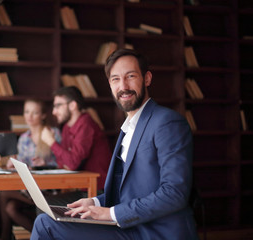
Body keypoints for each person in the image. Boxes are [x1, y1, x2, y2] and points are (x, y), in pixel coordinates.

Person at [31, 49, 199, 240]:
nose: (123, 86)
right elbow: (129, 193)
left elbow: (174, 193)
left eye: (131, 76)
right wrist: (94, 202)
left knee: (45, 225)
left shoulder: (167, 122)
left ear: (147, 78)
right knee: (47, 221)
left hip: (155, 232)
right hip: (130, 226)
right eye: (115, 79)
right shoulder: (127, 128)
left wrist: (110, 214)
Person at [0, 99, 61, 240]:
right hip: (28, 187)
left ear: (43, 115)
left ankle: (4, 236)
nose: (29, 116)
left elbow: (64, 162)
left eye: (35, 112)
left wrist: (46, 162)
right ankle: (45, 235)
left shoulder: (53, 133)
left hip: (48, 188)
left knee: (3, 195)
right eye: (27, 112)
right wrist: (13, 164)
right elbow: (22, 165)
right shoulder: (23, 138)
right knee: (11, 208)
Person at [40, 86, 112, 200]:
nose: (54, 112)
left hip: (97, 192)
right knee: (43, 201)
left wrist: (51, 142)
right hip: (82, 188)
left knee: (46, 203)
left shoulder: (86, 124)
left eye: (57, 106)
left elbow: (72, 163)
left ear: (73, 105)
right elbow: (63, 164)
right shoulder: (66, 128)